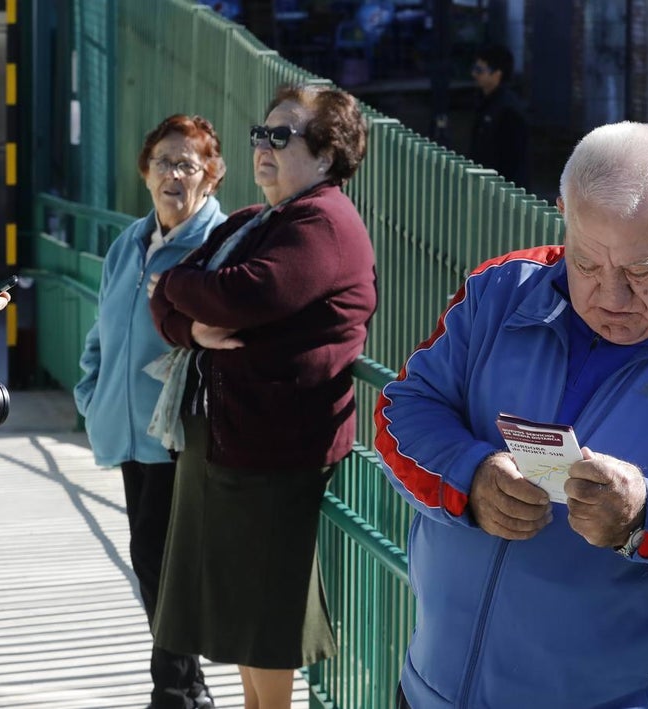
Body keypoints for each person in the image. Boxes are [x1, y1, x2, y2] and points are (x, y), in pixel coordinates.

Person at [375, 121, 648, 708]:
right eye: (586, 264)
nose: (610, 298)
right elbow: (404, 410)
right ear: (564, 214)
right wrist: (472, 478)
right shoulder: (500, 289)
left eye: (640, 271)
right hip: (432, 691)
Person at [148, 83, 376, 709]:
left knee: (267, 621)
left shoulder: (324, 223)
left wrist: (178, 284)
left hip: (275, 453)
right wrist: (189, 317)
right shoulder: (259, 220)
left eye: (282, 136)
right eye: (260, 134)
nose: (264, 147)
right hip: (231, 446)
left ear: (327, 156)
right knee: (245, 619)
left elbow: (245, 296)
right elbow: (165, 305)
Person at [73, 114, 227, 709]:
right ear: (145, 172)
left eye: (189, 164)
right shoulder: (130, 242)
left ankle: (175, 690)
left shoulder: (215, 245)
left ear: (210, 177)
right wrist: (91, 394)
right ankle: (186, 687)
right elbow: (100, 330)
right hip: (127, 430)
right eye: (163, 161)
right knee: (151, 560)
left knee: (165, 563)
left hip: (179, 436)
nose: (173, 174)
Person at [468, 43, 530, 189]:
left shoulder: (507, 109)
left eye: (480, 70)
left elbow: (513, 161)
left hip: (499, 191)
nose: (474, 74)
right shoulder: (487, 102)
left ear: (497, 74)